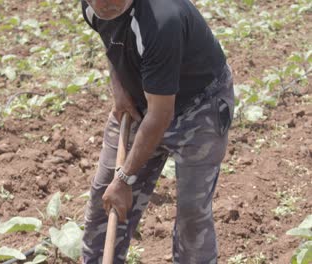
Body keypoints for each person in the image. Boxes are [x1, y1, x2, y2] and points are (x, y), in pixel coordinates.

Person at [80, 0, 235, 263]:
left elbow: (161, 115)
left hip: (199, 106)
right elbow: (111, 41)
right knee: (103, 198)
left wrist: (125, 179)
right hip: (143, 102)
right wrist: (118, 89)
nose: (104, 6)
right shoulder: (92, 7)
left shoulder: (163, 20)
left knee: (191, 216)